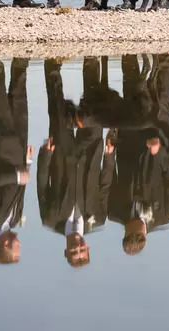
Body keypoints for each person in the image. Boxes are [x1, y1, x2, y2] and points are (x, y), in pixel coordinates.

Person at [37, 58, 114, 267]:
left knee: (58, 109)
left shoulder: (50, 220)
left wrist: (45, 156)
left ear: (66, 250)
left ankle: (52, 65)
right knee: (93, 112)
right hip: (91, 154)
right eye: (81, 251)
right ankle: (91, 62)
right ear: (87, 248)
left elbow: (42, 184)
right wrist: (109, 156)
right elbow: (105, 185)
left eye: (73, 251)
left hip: (62, 155)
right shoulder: (98, 218)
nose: (77, 247)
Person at [106, 54, 169, 256]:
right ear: (144, 234)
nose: (132, 223)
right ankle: (163, 53)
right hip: (158, 142)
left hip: (128, 140)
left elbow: (109, 180)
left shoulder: (114, 212)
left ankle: (128, 50)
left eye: (129, 227)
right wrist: (160, 153)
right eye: (136, 228)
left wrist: (110, 153)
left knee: (132, 91)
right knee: (160, 96)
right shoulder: (165, 215)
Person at [0, 58, 32, 264]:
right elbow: (20, 187)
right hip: (18, 149)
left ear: (5, 246)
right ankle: (20, 60)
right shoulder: (15, 219)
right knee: (19, 100)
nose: (20, 244)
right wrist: (27, 162)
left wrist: (18, 175)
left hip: (1, 148)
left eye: (16, 249)